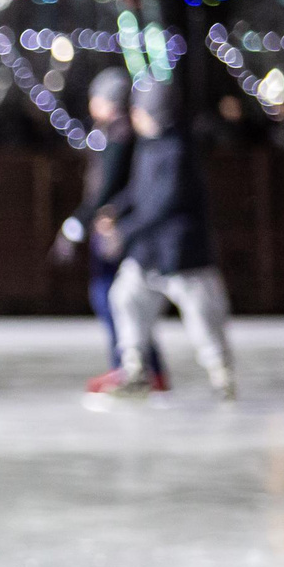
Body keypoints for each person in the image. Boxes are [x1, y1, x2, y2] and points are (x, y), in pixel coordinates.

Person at [104, 80, 236, 402]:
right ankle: (135, 368)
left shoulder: (179, 149)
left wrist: (126, 231)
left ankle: (221, 374)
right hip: (149, 252)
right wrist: (115, 210)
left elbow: (164, 202)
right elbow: (139, 190)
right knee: (126, 297)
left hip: (182, 254)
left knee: (203, 318)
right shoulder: (149, 145)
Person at [53, 68, 165, 396]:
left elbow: (109, 187)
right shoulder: (117, 133)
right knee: (123, 300)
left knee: (113, 298)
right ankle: (139, 366)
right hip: (115, 224)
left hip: (115, 228)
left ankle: (133, 366)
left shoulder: (119, 135)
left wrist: (81, 221)